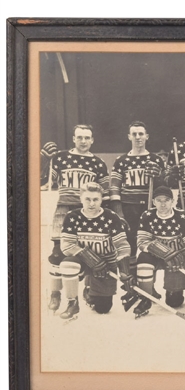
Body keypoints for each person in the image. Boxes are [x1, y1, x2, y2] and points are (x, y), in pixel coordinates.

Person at [41, 124, 110, 312]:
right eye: (79, 137)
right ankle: (56, 294)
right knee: (58, 253)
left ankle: (88, 289)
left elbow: (106, 193)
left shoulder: (98, 163)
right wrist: (44, 159)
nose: (83, 141)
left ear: (92, 140)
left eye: (87, 137)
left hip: (88, 212)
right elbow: (40, 180)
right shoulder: (61, 158)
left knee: (88, 250)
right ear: (73, 139)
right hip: (64, 209)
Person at [58, 182, 132, 319]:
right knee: (68, 264)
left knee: (103, 308)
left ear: (101, 200)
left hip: (105, 265)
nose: (92, 203)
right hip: (83, 261)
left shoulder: (111, 217)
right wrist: (89, 259)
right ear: (81, 199)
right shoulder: (72, 216)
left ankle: (89, 290)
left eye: (96, 199)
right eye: (88, 199)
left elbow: (122, 244)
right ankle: (72, 303)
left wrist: (124, 268)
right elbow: (66, 245)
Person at [109, 121, 165, 276]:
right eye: (134, 134)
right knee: (130, 244)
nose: (138, 137)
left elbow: (163, 188)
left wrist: (159, 177)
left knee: (150, 244)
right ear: (129, 137)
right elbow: (114, 188)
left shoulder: (156, 159)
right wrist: (119, 212)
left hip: (150, 208)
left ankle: (148, 283)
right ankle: (131, 282)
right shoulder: (121, 160)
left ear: (147, 136)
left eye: (141, 134)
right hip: (129, 207)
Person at [134, 186, 185, 317]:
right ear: (153, 202)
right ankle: (146, 298)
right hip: (156, 256)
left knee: (174, 301)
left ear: (173, 201)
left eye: (167, 200)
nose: (163, 204)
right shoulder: (147, 215)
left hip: (177, 258)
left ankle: (175, 292)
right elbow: (142, 242)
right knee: (143, 258)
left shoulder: (183, 216)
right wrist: (162, 252)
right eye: (159, 200)